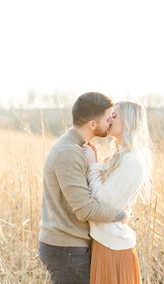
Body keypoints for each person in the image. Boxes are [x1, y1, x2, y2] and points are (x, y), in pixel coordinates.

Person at [38, 92, 131, 284]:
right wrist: (120, 215)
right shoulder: (69, 153)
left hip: (68, 247)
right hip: (65, 248)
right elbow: (85, 209)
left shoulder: (77, 148)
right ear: (92, 124)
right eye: (107, 119)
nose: (110, 123)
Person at [82, 101, 153, 284]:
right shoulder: (121, 156)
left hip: (113, 248)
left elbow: (104, 202)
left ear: (128, 122)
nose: (109, 119)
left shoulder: (132, 160)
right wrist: (97, 162)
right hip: (105, 241)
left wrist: (93, 166)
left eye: (114, 116)